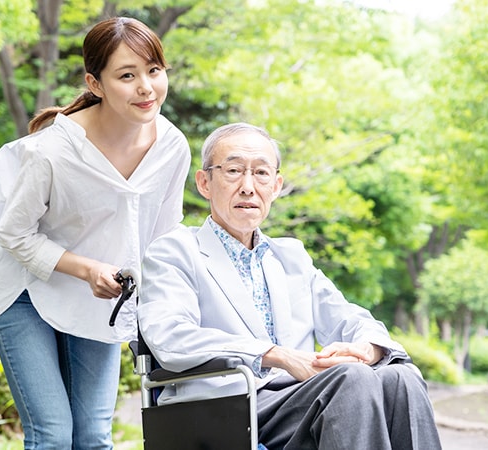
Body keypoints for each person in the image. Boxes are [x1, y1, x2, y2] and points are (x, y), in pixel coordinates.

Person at [138, 122, 442, 449]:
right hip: (225, 404)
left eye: (261, 174)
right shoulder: (174, 251)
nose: (248, 186)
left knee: (400, 377)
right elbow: (170, 335)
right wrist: (277, 356)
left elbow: (347, 317)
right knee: (351, 381)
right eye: (234, 170)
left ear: (277, 185)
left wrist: (369, 348)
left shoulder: (290, 255)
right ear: (205, 182)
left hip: (296, 400)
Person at [0, 17, 190, 450]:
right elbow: (14, 234)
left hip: (99, 298)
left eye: (154, 70)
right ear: (95, 84)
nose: (146, 87)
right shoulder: (53, 151)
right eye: (127, 76)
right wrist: (89, 268)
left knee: (93, 437)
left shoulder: (172, 148)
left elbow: (163, 236)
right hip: (26, 289)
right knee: (54, 436)